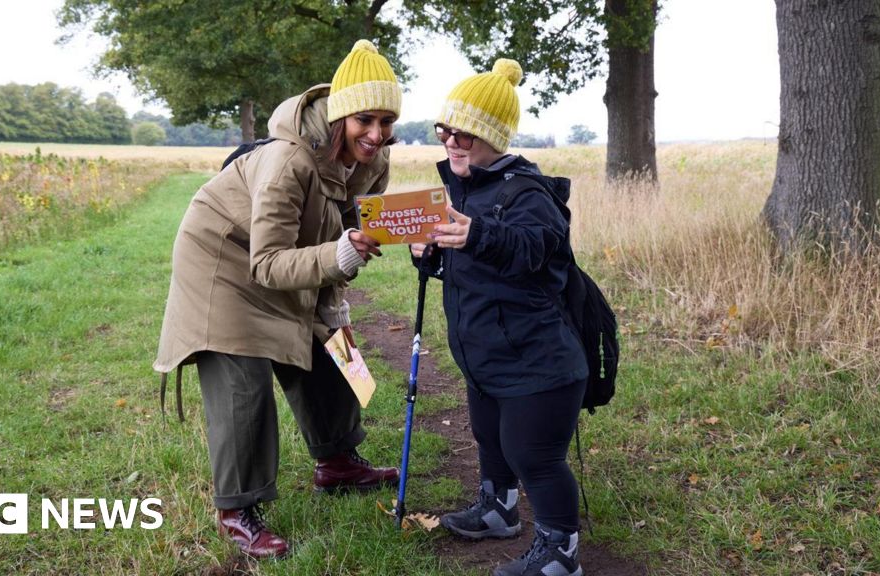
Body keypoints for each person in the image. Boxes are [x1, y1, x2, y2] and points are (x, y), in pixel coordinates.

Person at [154, 39, 402, 559]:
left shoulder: (373, 163)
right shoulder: (288, 160)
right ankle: (237, 509)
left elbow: (345, 231)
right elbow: (266, 264)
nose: (376, 135)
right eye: (364, 120)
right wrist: (339, 255)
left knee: (332, 351)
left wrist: (339, 303)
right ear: (339, 117)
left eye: (385, 120)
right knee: (244, 388)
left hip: (294, 254)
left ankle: (337, 464)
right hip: (224, 261)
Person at [410, 59, 588, 576]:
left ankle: (561, 555)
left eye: (464, 133)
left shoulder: (528, 192)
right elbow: (481, 266)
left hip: (538, 361)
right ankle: (498, 510)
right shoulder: (466, 188)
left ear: (491, 134)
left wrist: (478, 236)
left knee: (533, 454)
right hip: (488, 354)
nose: (451, 141)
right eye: (445, 130)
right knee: (490, 438)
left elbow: (535, 248)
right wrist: (435, 256)